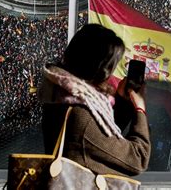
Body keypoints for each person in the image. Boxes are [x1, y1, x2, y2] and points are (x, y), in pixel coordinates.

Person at [39, 24, 151, 176]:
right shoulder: (82, 116)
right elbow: (137, 159)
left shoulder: (61, 98)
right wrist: (140, 109)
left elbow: (99, 140)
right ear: (100, 70)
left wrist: (123, 102)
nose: (110, 76)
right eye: (111, 68)